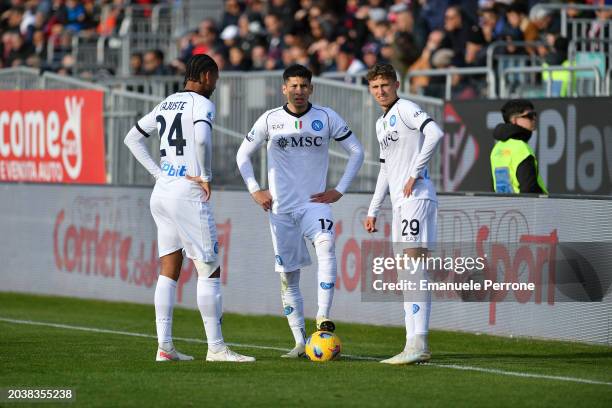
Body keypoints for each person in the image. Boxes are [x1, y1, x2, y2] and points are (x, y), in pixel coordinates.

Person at [124, 54, 255, 363]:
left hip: (162, 192)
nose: (216, 86)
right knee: (208, 266)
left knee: (169, 268)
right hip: (187, 192)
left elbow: (132, 138)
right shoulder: (201, 104)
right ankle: (217, 348)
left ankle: (165, 347)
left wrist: (158, 173)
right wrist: (206, 176)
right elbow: (201, 138)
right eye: (216, 79)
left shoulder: (166, 102)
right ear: (207, 76)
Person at [236, 64, 364, 358]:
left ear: (311, 89)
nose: (299, 91)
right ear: (284, 88)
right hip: (280, 209)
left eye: (304, 86)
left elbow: (357, 151)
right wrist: (255, 188)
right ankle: (299, 342)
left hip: (314, 204)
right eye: (293, 86)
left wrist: (339, 189)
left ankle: (323, 317)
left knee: (327, 246)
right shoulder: (270, 120)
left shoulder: (326, 117)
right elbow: (242, 154)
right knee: (288, 276)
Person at [363, 62, 444, 365]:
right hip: (399, 203)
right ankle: (412, 343)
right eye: (374, 86)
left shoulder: (407, 107)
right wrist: (374, 209)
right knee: (404, 274)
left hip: (417, 197)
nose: (380, 91)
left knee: (413, 269)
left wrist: (415, 172)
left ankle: (418, 343)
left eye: (385, 84)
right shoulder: (380, 123)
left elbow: (435, 133)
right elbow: (385, 169)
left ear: (396, 84)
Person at [491, 99, 547, 194]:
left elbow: (495, 186)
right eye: (529, 116)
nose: (534, 119)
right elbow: (529, 190)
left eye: (534, 115)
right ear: (514, 120)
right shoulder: (521, 148)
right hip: (530, 207)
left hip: (505, 206)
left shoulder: (497, 148)